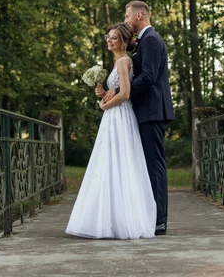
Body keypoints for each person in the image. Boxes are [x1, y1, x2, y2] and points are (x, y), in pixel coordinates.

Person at [65, 22, 156, 239]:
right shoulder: (118, 63)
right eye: (108, 37)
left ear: (124, 41)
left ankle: (121, 221)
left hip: (120, 116)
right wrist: (104, 92)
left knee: (120, 162)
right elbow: (117, 92)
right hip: (114, 116)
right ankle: (108, 219)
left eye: (114, 38)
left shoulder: (125, 62)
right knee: (109, 163)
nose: (109, 40)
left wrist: (105, 104)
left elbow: (125, 94)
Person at [99, 1, 174, 235]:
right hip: (146, 111)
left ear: (138, 15)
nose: (126, 20)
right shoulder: (143, 42)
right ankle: (150, 215)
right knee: (147, 166)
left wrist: (122, 90)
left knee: (154, 167)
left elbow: (150, 77)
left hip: (152, 112)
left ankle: (159, 220)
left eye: (127, 16)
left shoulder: (151, 40)